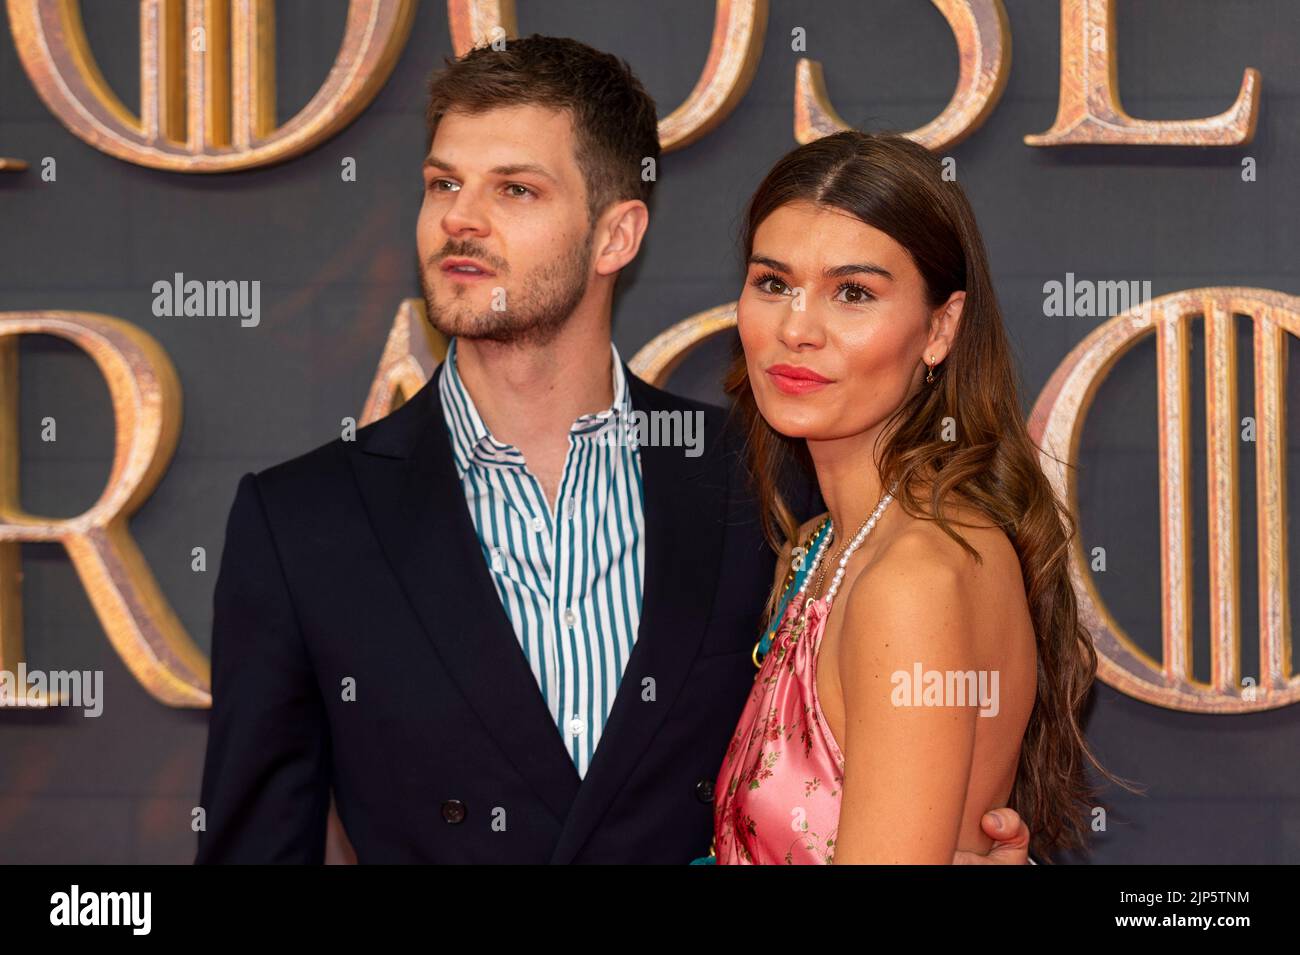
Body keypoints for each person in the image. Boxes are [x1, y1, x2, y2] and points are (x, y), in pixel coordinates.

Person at [195, 35, 1031, 864]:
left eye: (515, 188)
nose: (460, 216)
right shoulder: (302, 524)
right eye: (443, 183)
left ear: (616, 235)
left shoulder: (768, 480)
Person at [712, 130, 1114, 864]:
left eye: (853, 293)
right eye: (773, 282)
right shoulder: (823, 546)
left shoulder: (912, 577)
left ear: (939, 328)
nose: (796, 329)